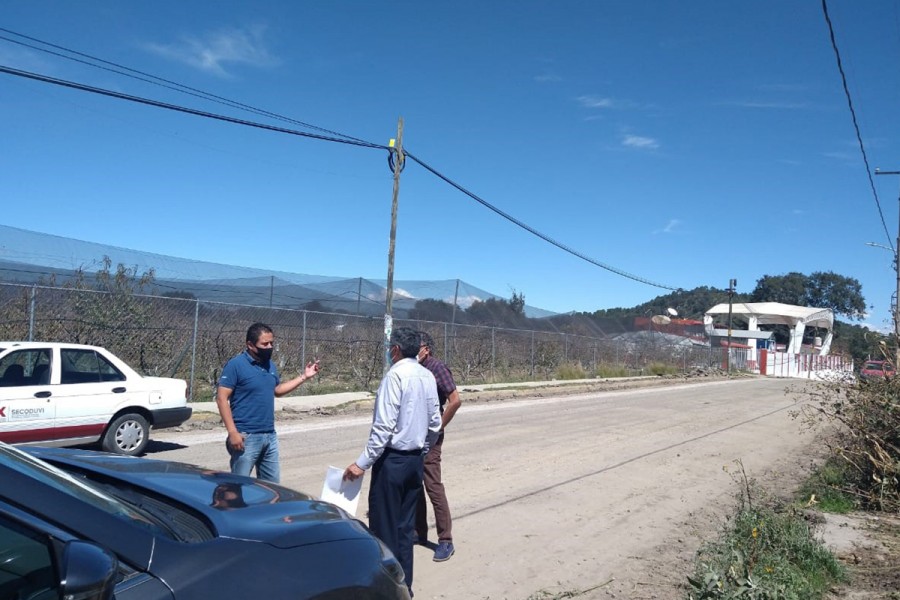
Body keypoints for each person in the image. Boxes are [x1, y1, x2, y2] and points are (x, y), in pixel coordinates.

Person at [343, 327, 441, 597]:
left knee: (384, 530)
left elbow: (383, 429)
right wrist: (422, 451)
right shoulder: (427, 376)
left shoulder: (395, 376)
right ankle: (405, 587)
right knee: (405, 530)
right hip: (414, 463)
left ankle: (387, 590)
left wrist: (361, 463)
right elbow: (435, 422)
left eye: (390, 347)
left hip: (393, 462)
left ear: (396, 349)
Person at [216, 322, 320, 483]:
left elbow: (277, 390)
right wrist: (232, 432)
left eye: (271, 343)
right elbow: (222, 398)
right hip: (245, 436)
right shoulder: (235, 365)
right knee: (238, 487)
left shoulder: (270, 365)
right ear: (250, 345)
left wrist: (304, 377)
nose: (270, 347)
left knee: (272, 489)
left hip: (269, 436)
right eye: (265, 344)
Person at [414, 331, 461, 562]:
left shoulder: (436, 368)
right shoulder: (414, 369)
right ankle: (419, 532)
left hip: (430, 437)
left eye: (418, 346)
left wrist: (438, 428)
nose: (414, 350)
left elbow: (455, 400)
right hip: (414, 434)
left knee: (432, 485)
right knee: (414, 484)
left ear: (426, 349)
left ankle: (446, 541)